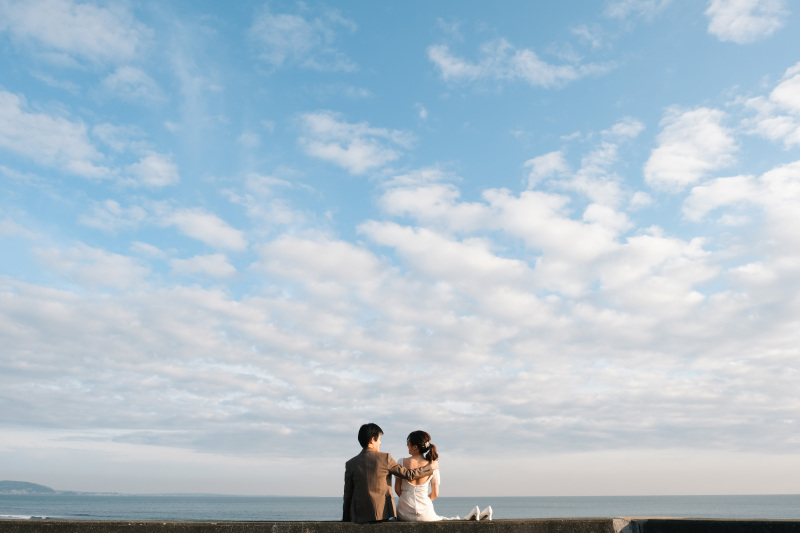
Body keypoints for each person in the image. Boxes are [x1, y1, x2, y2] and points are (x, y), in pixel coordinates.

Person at [343, 423, 440, 523]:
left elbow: (347, 494)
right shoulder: (385, 458)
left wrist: (345, 519)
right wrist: (430, 468)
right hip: (381, 514)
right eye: (379, 439)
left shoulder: (350, 464)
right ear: (372, 440)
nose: (380, 443)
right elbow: (409, 475)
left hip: (357, 515)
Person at [394, 430, 492, 521]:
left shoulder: (401, 462)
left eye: (408, 442)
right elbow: (435, 494)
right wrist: (422, 502)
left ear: (415, 447)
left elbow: (397, 490)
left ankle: (474, 514)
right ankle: (475, 514)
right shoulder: (433, 465)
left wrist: (408, 500)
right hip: (425, 513)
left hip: (404, 513)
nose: (407, 445)